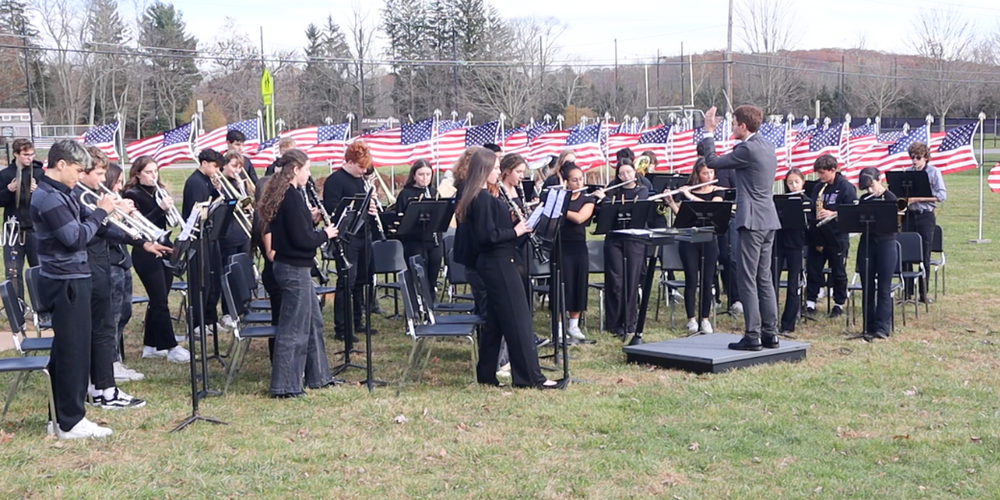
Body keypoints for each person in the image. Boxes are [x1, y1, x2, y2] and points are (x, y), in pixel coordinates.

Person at [453, 146, 564, 390]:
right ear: (483, 170)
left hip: (500, 260)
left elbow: (493, 231)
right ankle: (530, 377)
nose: (497, 172)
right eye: (493, 168)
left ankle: (486, 374)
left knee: (496, 322)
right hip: (497, 264)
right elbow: (486, 237)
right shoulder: (480, 198)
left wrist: (520, 228)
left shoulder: (484, 196)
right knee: (519, 320)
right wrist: (515, 230)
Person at [31, 140, 117, 439]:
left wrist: (140, 239)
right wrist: (101, 212)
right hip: (65, 280)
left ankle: (59, 417)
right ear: (61, 164)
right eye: (78, 170)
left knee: (68, 350)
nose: (81, 176)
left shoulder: (62, 193)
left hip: (72, 276)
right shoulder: (49, 198)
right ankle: (69, 421)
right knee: (74, 352)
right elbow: (75, 238)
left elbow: (88, 226)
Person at [257, 149, 340, 397]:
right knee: (294, 328)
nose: (309, 173)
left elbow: (294, 230)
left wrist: (311, 220)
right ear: (295, 170)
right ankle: (285, 385)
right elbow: (301, 240)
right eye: (307, 169)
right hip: (292, 269)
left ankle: (319, 376)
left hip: (296, 267)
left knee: (313, 323)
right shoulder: (291, 197)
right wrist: (325, 234)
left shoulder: (290, 194)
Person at [700, 104, 781, 351]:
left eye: (734, 123)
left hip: (752, 220)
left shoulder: (747, 149)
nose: (732, 127)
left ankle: (753, 335)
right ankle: (770, 333)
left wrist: (709, 131)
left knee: (747, 279)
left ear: (743, 126)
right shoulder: (767, 146)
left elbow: (712, 161)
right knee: (764, 278)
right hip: (769, 219)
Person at [74, 147, 151, 409]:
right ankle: (104, 389)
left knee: (105, 328)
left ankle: (102, 387)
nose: (101, 180)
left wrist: (141, 241)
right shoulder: (79, 196)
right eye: (97, 174)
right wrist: (107, 211)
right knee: (103, 329)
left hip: (101, 264)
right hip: (89, 267)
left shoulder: (90, 195)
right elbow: (92, 231)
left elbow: (106, 230)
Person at [122, 156, 191, 363]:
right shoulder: (131, 194)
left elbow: (168, 222)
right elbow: (140, 226)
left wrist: (168, 209)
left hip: (164, 246)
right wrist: (159, 208)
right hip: (145, 251)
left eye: (156, 171)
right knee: (160, 300)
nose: (154, 176)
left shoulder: (158, 191)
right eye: (149, 172)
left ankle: (151, 345)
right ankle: (171, 346)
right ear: (137, 174)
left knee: (158, 298)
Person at [323, 141, 378, 342]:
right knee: (347, 281)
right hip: (347, 238)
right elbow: (333, 209)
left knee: (361, 281)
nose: (363, 171)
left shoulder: (362, 180)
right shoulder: (335, 181)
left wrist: (371, 209)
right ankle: (342, 328)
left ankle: (358, 321)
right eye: (360, 167)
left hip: (364, 234)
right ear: (349, 162)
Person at [663, 159, 725, 334]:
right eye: (705, 173)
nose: (709, 176)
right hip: (689, 240)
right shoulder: (688, 189)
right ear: (698, 174)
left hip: (709, 240)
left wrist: (690, 197)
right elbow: (682, 216)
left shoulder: (718, 191)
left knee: (707, 279)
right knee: (691, 278)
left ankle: (705, 319)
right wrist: (671, 203)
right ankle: (691, 319)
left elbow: (714, 207)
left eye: (711, 173)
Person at [104, 162, 145, 382]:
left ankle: (115, 359)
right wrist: (120, 215)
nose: (120, 187)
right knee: (113, 315)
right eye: (117, 182)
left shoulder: (114, 201)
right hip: (109, 263)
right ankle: (110, 362)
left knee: (124, 313)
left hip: (122, 260)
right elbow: (105, 230)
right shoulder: (100, 202)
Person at [182, 149, 228, 338]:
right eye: (215, 166)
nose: (217, 170)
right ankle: (197, 322)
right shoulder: (195, 182)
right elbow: (198, 211)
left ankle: (210, 319)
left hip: (210, 235)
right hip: (198, 238)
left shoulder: (208, 181)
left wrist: (218, 191)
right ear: (204, 163)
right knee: (200, 282)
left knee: (213, 280)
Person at [805, 154, 856, 319]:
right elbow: (813, 205)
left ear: (833, 170)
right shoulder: (819, 187)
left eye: (822, 173)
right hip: (819, 234)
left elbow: (851, 213)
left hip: (837, 235)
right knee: (813, 268)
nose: (820, 177)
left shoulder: (846, 188)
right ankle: (810, 302)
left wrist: (833, 213)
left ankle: (839, 303)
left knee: (838, 271)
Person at [602, 158, 649, 339]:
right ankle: (614, 322)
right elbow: (605, 216)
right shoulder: (613, 191)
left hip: (634, 240)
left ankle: (630, 322)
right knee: (616, 282)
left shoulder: (642, 190)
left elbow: (639, 211)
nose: (625, 176)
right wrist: (603, 200)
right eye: (621, 174)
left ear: (634, 172)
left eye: (628, 172)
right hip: (614, 239)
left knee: (631, 281)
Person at [856, 167, 898, 341]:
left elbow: (895, 223)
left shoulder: (890, 198)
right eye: (866, 188)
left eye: (871, 185)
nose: (870, 191)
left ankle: (882, 327)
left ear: (879, 179)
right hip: (867, 244)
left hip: (886, 244)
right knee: (867, 287)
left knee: (884, 287)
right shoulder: (864, 199)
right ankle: (868, 325)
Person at [0, 138, 45, 299]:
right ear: (16, 154)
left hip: (34, 230)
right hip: (13, 230)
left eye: (32, 154)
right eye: (26, 155)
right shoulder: (5, 174)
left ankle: (42, 310)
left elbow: (50, 200)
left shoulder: (39, 173)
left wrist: (38, 191)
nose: (30, 158)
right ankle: (17, 309)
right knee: (13, 273)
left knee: (39, 270)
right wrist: (8, 190)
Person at [902, 141, 945, 304]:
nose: (915, 161)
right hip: (909, 215)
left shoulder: (934, 172)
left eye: (918, 158)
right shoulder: (908, 172)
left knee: (923, 253)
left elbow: (941, 196)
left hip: (925, 215)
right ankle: (907, 292)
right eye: (912, 157)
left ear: (926, 158)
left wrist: (919, 198)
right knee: (904, 252)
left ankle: (923, 293)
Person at [561, 164, 598, 341]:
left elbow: (580, 218)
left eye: (580, 179)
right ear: (566, 182)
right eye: (574, 180)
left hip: (578, 246)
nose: (578, 182)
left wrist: (560, 209)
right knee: (563, 285)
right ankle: (559, 326)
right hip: (561, 246)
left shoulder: (588, 199)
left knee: (577, 284)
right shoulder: (561, 197)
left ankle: (574, 325)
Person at [772, 168, 809, 335]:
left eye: (796, 182)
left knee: (793, 283)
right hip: (778, 243)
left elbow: (808, 224)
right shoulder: (779, 201)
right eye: (789, 182)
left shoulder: (806, 201)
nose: (793, 186)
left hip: (795, 244)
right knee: (772, 282)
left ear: (803, 182)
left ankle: (788, 324)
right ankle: (770, 321)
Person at [396, 159, 443, 288]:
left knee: (432, 280)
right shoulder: (406, 194)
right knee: (418, 279)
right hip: (414, 242)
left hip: (433, 241)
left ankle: (430, 306)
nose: (425, 178)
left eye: (428, 174)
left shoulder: (434, 192)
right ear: (414, 176)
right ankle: (417, 306)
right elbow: (401, 220)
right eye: (421, 174)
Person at [219, 152, 252, 328]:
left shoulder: (236, 183)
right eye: (233, 166)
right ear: (224, 165)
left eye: (240, 167)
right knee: (228, 273)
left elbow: (246, 204)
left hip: (242, 233)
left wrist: (241, 188)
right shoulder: (220, 183)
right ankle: (227, 311)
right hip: (228, 236)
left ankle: (242, 307)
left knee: (242, 273)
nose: (237, 170)